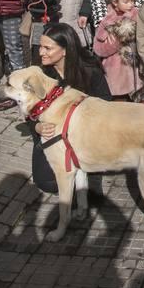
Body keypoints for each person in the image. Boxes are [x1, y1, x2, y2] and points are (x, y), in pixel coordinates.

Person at [30, 23, 111, 194]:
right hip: (53, 134)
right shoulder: (41, 73)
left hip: (86, 134)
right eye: (41, 46)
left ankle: (91, 172)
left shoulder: (89, 71)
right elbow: (30, 109)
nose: (41, 52)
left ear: (65, 50)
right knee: (47, 183)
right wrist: (36, 127)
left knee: (89, 193)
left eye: (47, 48)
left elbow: (105, 104)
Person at [93, 0, 141, 99]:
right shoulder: (107, 21)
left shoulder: (137, 15)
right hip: (116, 72)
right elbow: (98, 48)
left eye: (132, 1)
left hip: (135, 69)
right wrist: (117, 41)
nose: (131, 5)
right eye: (126, 2)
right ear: (115, 2)